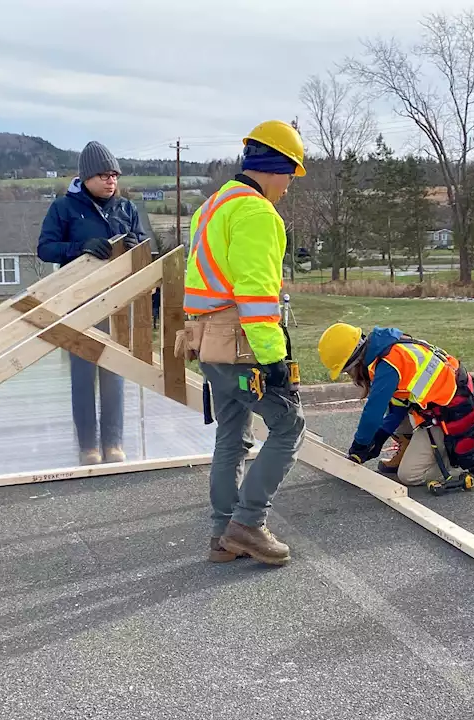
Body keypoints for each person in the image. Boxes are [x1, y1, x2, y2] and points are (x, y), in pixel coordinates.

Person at [178, 120, 308, 567]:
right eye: (291, 173)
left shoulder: (211, 208)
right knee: (289, 426)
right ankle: (248, 525)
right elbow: (255, 293)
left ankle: (222, 535)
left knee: (231, 436)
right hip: (241, 345)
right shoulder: (256, 214)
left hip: (207, 343)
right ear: (275, 167)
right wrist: (274, 360)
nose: (289, 185)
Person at [37, 141, 147, 466]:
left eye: (114, 174)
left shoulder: (127, 209)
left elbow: (144, 244)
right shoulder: (64, 208)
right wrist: (80, 247)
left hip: (118, 303)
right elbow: (46, 249)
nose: (110, 180)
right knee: (83, 377)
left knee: (114, 374)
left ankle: (114, 442)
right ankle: (88, 446)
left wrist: (134, 245)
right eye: (103, 175)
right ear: (85, 177)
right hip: (78, 304)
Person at [316, 323, 474, 488]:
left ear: (355, 361)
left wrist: (359, 446)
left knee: (409, 476)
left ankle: (456, 460)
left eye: (347, 370)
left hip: (450, 418)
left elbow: (372, 413)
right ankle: (409, 449)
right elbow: (397, 407)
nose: (349, 376)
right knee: (389, 417)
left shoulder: (389, 365)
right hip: (435, 410)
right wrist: (378, 439)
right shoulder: (387, 347)